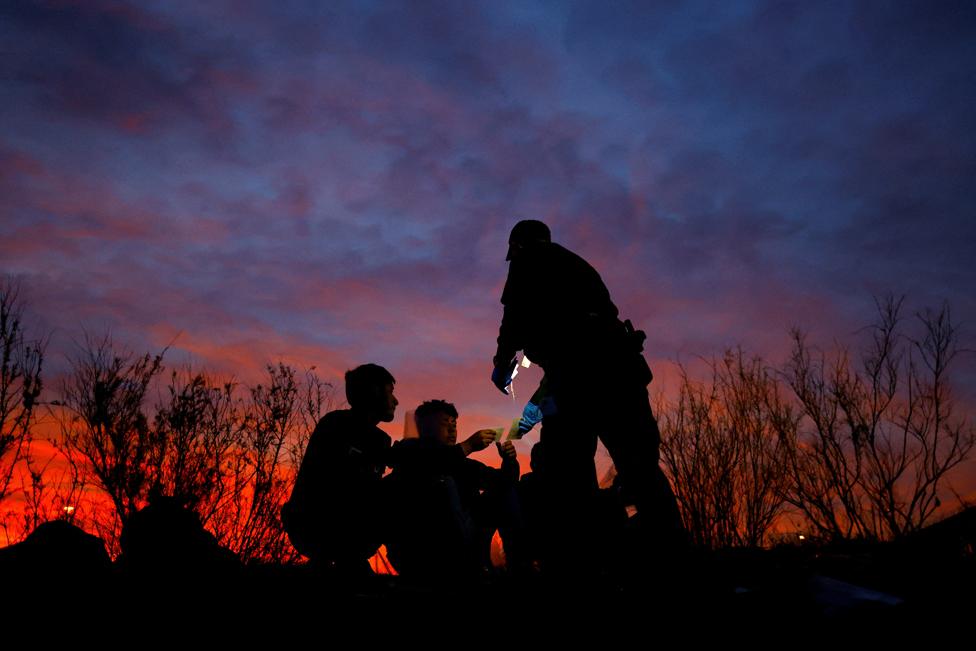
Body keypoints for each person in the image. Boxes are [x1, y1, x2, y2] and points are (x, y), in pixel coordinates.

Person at [490, 219, 685, 576]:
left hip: (578, 378)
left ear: (518, 246)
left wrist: (503, 362)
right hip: (619, 371)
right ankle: (672, 561)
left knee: (566, 471)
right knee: (640, 468)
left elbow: (513, 320)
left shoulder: (527, 262)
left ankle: (578, 566)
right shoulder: (579, 266)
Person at [384, 399, 521, 581]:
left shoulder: (463, 464)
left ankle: (517, 566)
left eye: (454, 424)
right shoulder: (408, 453)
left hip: (466, 544)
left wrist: (509, 460)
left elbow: (504, 482)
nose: (451, 430)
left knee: (505, 492)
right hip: (419, 550)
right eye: (444, 424)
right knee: (445, 484)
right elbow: (432, 464)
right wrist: (469, 445)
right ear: (424, 427)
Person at [282, 363, 397, 578]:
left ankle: (350, 560)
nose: (395, 401)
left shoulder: (380, 439)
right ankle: (344, 560)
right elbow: (339, 482)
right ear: (374, 393)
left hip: (346, 526)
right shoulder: (335, 425)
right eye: (390, 392)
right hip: (314, 526)